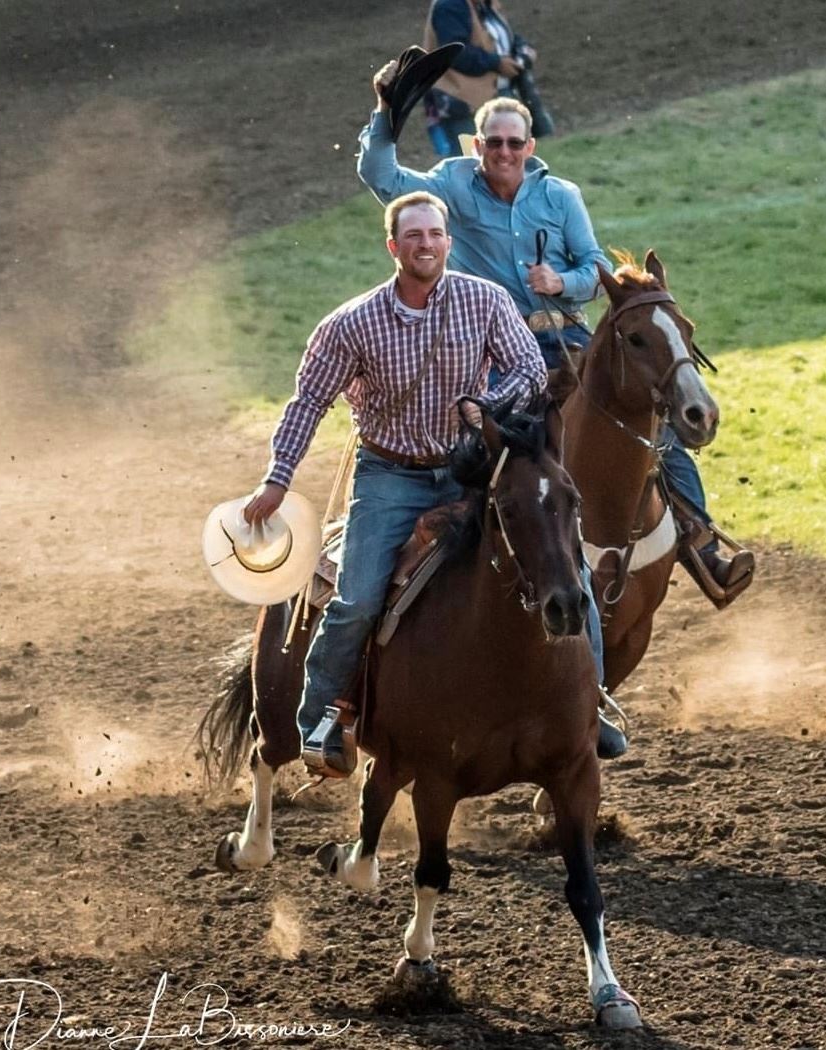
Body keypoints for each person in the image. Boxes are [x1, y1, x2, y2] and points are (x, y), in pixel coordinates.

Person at [242, 191, 624, 778]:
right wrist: (276, 480)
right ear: (393, 246)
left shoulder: (486, 301)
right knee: (358, 597)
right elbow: (307, 404)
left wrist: (484, 406)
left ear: (449, 241)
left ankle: (589, 702)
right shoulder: (351, 324)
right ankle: (321, 720)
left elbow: (527, 371)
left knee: (562, 562)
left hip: (467, 470)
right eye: (413, 236)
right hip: (389, 476)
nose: (426, 244)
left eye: (435, 234)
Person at [358, 84, 757, 603]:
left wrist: (561, 283)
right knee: (482, 434)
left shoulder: (560, 196)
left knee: (651, 419)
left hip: (564, 334)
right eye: (494, 142)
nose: (504, 152)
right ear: (477, 146)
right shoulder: (451, 185)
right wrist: (387, 115)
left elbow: (596, 268)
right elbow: (381, 177)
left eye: (514, 142)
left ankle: (702, 547)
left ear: (530, 147)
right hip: (492, 345)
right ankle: (453, 548)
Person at [421, 0, 553, 159]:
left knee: (506, 165)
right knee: (469, 168)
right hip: (462, 103)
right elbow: (455, 52)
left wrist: (523, 51)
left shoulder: (484, 4)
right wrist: (496, 63)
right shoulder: (450, 5)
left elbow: (504, 36)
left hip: (494, 98)